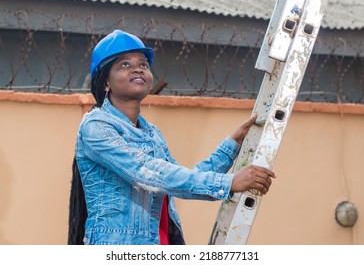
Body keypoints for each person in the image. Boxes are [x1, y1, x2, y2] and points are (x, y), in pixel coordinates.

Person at [68, 29, 276, 245]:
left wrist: (232, 145)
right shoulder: (96, 127)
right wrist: (230, 182)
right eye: (125, 64)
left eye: (143, 65)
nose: (138, 69)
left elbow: (181, 179)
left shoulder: (151, 133)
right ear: (105, 82)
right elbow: (147, 172)